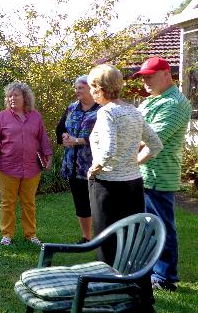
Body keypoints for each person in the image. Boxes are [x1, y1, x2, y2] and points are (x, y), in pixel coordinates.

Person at [86, 64, 162, 311]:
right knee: (135, 241)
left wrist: (96, 168)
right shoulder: (134, 111)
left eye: (91, 87)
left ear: (99, 88)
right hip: (133, 184)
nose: (90, 91)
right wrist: (133, 163)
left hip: (108, 188)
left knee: (107, 244)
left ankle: (111, 297)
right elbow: (156, 145)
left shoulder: (107, 113)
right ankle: (141, 297)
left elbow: (108, 150)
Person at [133, 56, 192, 292]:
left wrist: (128, 161)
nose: (145, 80)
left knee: (161, 226)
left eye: (150, 75)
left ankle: (166, 277)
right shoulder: (153, 100)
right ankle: (147, 271)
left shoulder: (174, 103)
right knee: (146, 226)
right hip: (143, 174)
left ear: (167, 74)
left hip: (158, 175)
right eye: (143, 76)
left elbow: (151, 140)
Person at [0, 81, 53, 246]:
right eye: (9, 96)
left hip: (32, 167)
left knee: (29, 202)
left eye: (15, 95)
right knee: (8, 202)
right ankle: (7, 234)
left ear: (25, 97)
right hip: (7, 166)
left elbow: (43, 138)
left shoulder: (36, 116)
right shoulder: (1, 117)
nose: (12, 98)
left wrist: (49, 157)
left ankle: (30, 234)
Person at [56, 75, 100, 244]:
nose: (77, 91)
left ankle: (102, 236)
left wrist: (79, 141)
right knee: (81, 202)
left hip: (94, 165)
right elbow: (60, 129)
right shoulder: (72, 108)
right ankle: (86, 237)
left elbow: (105, 136)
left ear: (90, 88)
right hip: (73, 165)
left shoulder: (101, 109)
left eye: (80, 87)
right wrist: (65, 136)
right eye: (76, 88)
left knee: (97, 203)